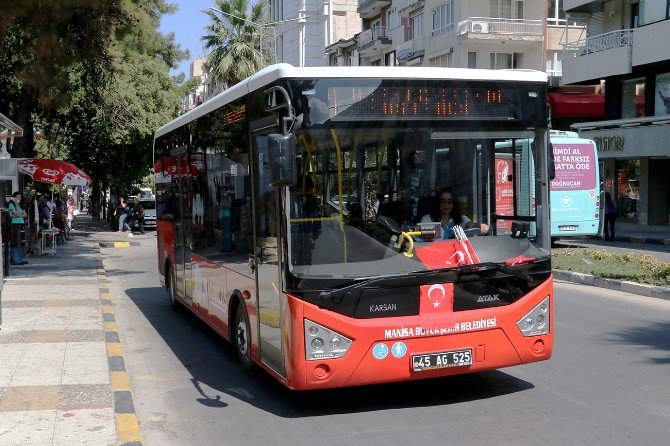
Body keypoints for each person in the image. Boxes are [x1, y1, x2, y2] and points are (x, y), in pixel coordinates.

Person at [420, 187, 489, 239]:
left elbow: (469, 224)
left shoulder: (460, 218)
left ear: (454, 203)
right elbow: (423, 243)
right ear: (437, 203)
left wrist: (479, 226)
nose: (446, 205)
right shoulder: (427, 219)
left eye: (450, 201)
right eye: (442, 201)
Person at [7, 192, 28, 265]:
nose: (18, 199)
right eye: (17, 197)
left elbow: (25, 215)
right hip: (15, 225)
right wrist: (15, 204)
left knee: (20, 242)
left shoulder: (20, 205)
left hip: (21, 224)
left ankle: (20, 259)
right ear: (14, 198)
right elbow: (16, 214)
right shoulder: (11, 205)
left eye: (20, 197)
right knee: (15, 243)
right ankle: (16, 260)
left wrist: (17, 215)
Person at [219, 186, 232, 252]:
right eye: (222, 190)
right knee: (224, 233)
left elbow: (227, 206)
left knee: (227, 232)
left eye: (224, 190)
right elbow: (221, 207)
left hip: (227, 216)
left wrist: (226, 196)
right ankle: (224, 247)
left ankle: (228, 247)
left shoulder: (228, 197)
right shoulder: (222, 198)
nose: (222, 191)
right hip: (222, 216)